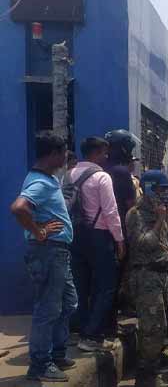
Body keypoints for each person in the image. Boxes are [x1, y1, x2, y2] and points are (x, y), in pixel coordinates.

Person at [10, 131, 77, 382]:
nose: (65, 157)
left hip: (58, 252)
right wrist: (38, 232)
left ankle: (57, 353)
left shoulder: (46, 179)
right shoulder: (39, 182)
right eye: (62, 153)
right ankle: (40, 363)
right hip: (48, 251)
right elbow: (19, 208)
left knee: (69, 303)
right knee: (47, 308)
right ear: (52, 154)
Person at [126, 170, 168, 387]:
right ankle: (145, 377)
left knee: (160, 325)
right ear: (151, 189)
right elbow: (143, 243)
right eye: (161, 190)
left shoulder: (153, 212)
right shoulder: (137, 214)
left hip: (159, 275)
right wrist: (161, 219)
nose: (164, 194)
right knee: (152, 326)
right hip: (146, 276)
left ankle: (154, 361)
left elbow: (159, 242)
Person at [68, 136, 125, 352]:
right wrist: (119, 240)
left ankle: (81, 329)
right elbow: (111, 211)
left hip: (74, 235)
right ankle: (91, 335)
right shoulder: (102, 177)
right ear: (95, 153)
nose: (107, 156)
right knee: (105, 287)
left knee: (80, 286)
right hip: (99, 236)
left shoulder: (69, 174)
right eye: (104, 152)